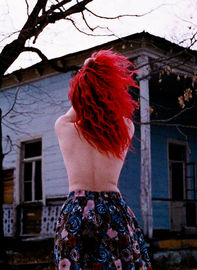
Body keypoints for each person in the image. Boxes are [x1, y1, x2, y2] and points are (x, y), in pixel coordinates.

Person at [54, 49, 152, 270]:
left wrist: (86, 78)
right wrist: (101, 80)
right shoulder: (126, 128)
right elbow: (117, 112)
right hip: (113, 211)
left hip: (75, 213)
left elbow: (75, 110)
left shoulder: (63, 127)